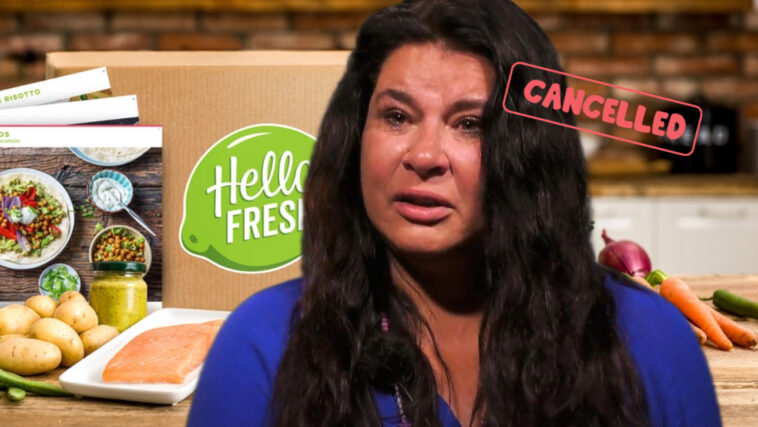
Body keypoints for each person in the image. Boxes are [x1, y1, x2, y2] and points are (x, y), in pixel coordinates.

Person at [188, 1, 722, 426]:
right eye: (397, 116)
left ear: (529, 154)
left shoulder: (653, 344)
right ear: (354, 140)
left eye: (471, 124)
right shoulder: (261, 346)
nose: (424, 156)